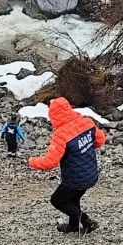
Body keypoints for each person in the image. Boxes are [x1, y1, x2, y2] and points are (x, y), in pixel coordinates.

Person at [28, 97, 106, 235]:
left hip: (75, 179)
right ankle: (73, 226)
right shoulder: (87, 123)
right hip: (91, 174)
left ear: (53, 116)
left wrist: (32, 162)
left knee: (57, 200)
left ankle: (86, 221)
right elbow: (100, 141)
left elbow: (50, 162)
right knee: (72, 198)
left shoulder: (61, 135)